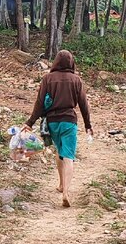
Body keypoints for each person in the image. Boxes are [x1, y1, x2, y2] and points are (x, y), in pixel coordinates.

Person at [23, 49, 93, 208]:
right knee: (68, 155)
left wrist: (30, 122)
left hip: (52, 123)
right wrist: (88, 125)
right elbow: (83, 104)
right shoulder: (76, 80)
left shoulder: (48, 79)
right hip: (69, 122)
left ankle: (61, 184)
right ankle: (66, 192)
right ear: (71, 62)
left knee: (59, 151)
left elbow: (39, 103)